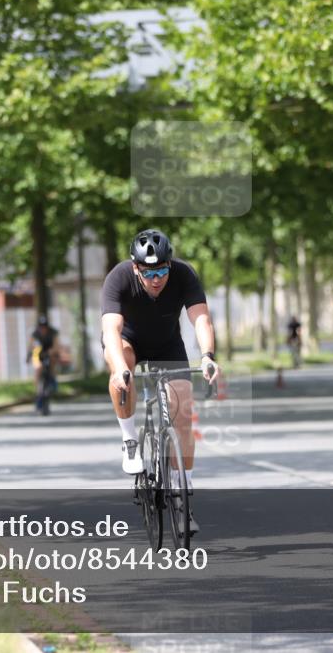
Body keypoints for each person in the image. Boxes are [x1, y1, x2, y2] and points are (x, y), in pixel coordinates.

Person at [101, 229, 219, 534]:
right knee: (121, 374)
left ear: (170, 264)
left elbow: (201, 319)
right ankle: (129, 440)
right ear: (136, 268)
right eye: (150, 272)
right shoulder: (118, 278)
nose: (157, 279)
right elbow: (111, 331)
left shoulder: (183, 275)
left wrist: (207, 355)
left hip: (168, 346)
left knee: (182, 413)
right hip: (129, 343)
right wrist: (117, 369)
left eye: (162, 270)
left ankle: (184, 492)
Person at [27, 315, 59, 413]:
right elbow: (31, 347)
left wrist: (53, 352)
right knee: (38, 368)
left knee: (52, 361)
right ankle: (38, 391)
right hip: (39, 353)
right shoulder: (35, 334)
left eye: (45, 326)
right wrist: (28, 355)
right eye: (41, 327)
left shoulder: (52, 333)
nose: (43, 329)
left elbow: (56, 345)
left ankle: (53, 379)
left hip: (49, 352)